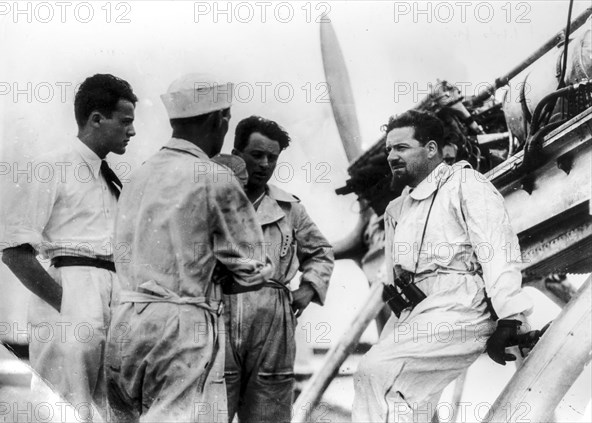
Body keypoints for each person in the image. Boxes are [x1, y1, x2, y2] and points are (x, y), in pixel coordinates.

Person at [105, 74, 272, 423]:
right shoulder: (214, 177)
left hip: (125, 322)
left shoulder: (139, 175)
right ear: (219, 119)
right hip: (180, 326)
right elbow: (254, 269)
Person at [352, 110, 533, 422]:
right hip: (418, 309)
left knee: (379, 372)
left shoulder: (465, 184)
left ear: (432, 149)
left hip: (463, 302)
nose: (392, 156)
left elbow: (497, 249)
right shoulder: (398, 208)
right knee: (408, 396)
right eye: (389, 150)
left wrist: (510, 318)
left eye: (402, 148)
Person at [1, 74, 137, 419]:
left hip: (111, 295)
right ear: (96, 119)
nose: (131, 132)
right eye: (125, 122)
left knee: (110, 410)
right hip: (71, 288)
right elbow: (14, 251)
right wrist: (68, 306)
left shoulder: (112, 180)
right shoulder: (51, 166)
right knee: (64, 408)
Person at [225, 115, 335, 423]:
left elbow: (321, 252)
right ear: (236, 154)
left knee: (269, 407)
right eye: (256, 154)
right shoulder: (212, 199)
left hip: (274, 317)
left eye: (272, 158)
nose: (263, 164)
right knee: (211, 401)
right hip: (220, 309)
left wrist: (309, 288)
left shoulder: (289, 209)